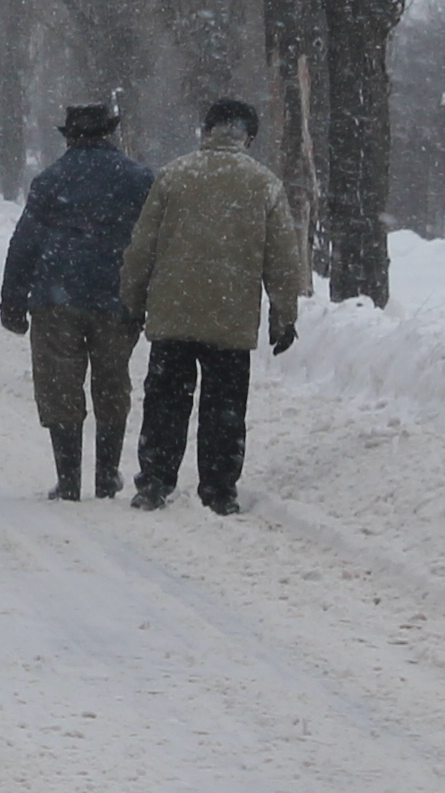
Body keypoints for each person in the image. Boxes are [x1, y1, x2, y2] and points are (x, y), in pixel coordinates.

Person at [114, 96, 305, 513]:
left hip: (173, 314)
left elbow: (141, 247)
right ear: (248, 136)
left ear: (207, 130)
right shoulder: (264, 184)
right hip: (230, 319)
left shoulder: (173, 176)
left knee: (166, 401)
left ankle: (155, 482)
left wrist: (132, 300)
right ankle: (219, 490)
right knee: (225, 409)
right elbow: (284, 261)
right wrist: (284, 315)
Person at [0, 101, 153, 498]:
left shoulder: (51, 181)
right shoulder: (139, 180)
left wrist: (12, 301)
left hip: (56, 296)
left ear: (70, 137)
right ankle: (106, 474)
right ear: (110, 133)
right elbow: (154, 242)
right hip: (117, 296)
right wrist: (151, 295)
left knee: (60, 385)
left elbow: (25, 243)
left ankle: (69, 479)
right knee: (112, 383)